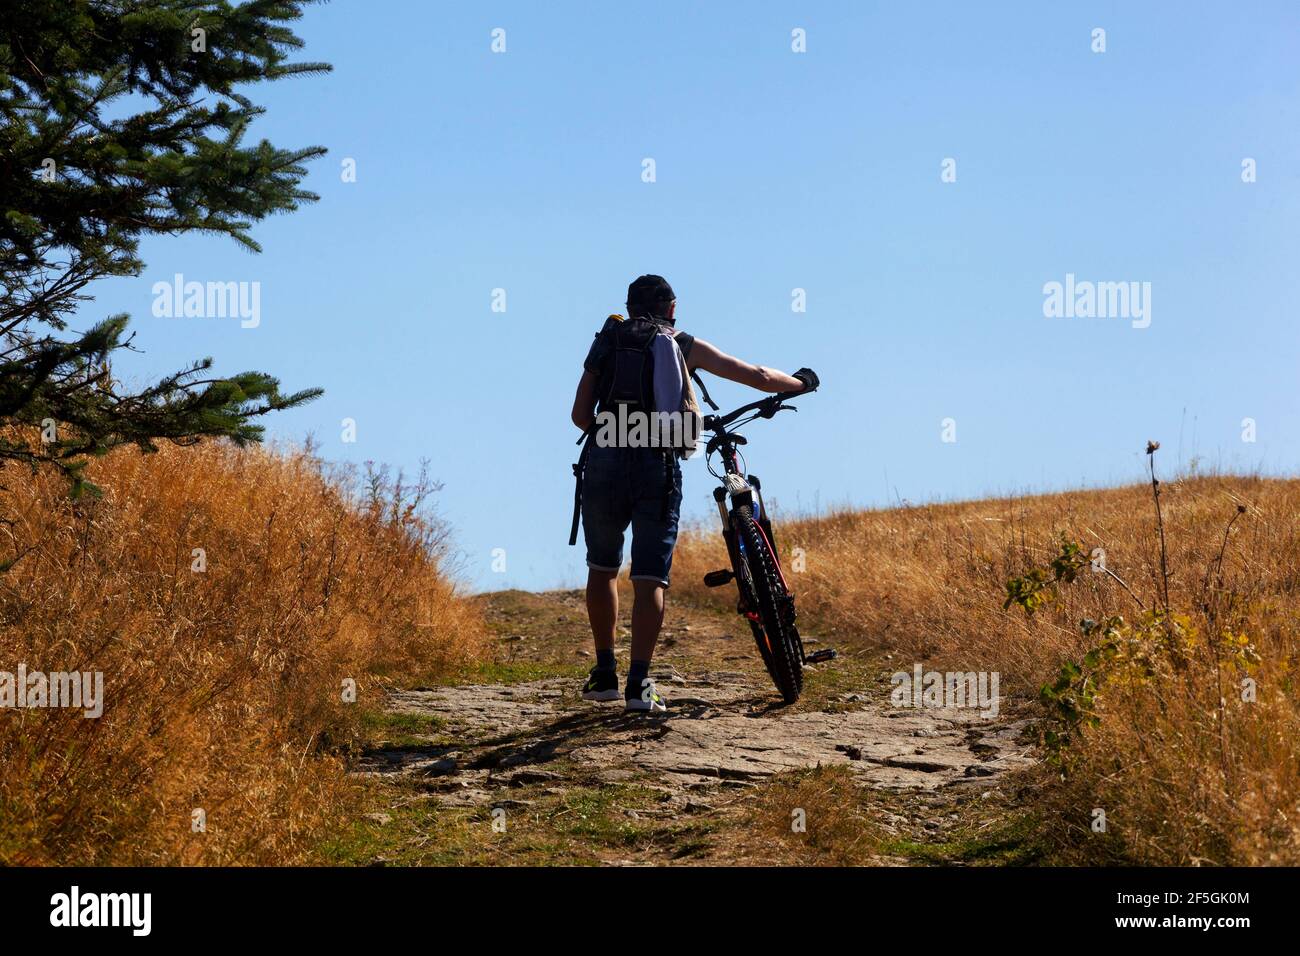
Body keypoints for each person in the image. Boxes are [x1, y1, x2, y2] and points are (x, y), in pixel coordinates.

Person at [570, 274, 817, 711]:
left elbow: (579, 415)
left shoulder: (607, 341)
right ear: (669, 308)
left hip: (605, 463)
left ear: (628, 308)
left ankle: (604, 674)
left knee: (603, 568)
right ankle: (639, 688)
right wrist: (800, 383)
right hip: (657, 467)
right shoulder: (681, 344)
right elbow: (757, 376)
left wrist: (616, 434)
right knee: (649, 580)